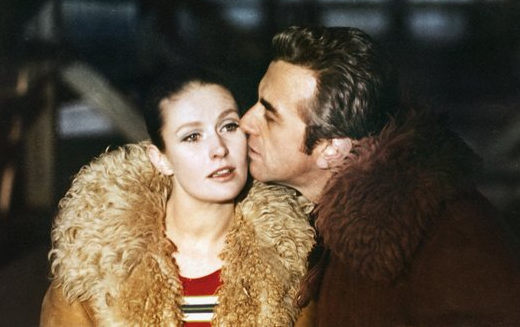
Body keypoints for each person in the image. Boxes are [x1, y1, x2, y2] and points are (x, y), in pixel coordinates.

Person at [240, 26, 520, 326]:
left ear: (332, 149)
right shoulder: (309, 225)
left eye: (270, 115)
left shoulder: (449, 237)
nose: (246, 122)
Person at [40, 66, 315, 326]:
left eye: (229, 126)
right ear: (161, 159)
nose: (219, 149)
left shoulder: (292, 262)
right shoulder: (95, 269)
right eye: (192, 137)